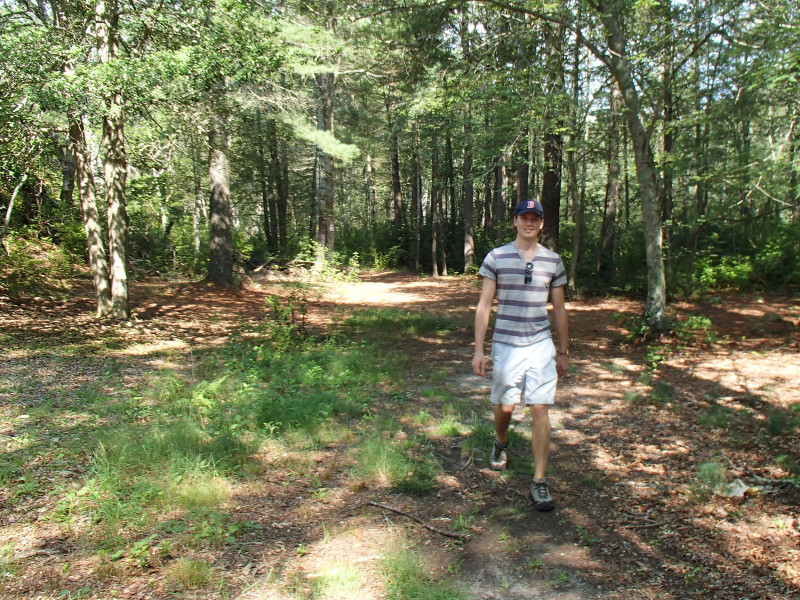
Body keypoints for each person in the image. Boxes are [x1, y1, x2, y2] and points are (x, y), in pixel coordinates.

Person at [471, 199, 569, 511]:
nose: (528, 223)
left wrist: (563, 350)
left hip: (540, 345)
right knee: (506, 405)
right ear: (515, 221)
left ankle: (539, 481)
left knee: (540, 409)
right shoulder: (496, 257)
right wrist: (479, 350)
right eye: (523, 217)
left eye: (534, 218)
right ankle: (501, 441)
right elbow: (485, 304)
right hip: (506, 344)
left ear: (541, 224)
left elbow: (560, 309)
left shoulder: (552, 261)